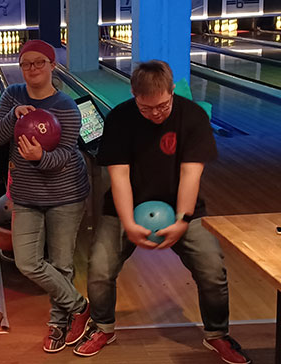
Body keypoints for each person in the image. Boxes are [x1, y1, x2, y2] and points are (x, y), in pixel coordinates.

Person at [77, 60, 251, 364]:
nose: (155, 113)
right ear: (133, 95)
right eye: (146, 108)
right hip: (125, 210)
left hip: (180, 208)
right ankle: (103, 327)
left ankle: (217, 334)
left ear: (172, 92)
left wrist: (183, 220)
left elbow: (190, 176)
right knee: (100, 269)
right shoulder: (120, 118)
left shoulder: (192, 116)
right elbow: (118, 177)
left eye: (162, 106)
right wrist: (129, 223)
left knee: (212, 270)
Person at [0, 39, 91, 353]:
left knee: (61, 264)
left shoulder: (66, 106)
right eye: (25, 64)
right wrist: (14, 117)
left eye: (39, 62)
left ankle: (57, 325)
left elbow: (65, 154)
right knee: (27, 262)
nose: (32, 69)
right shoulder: (12, 95)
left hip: (66, 194)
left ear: (52, 65)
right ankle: (81, 306)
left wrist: (39, 158)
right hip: (26, 195)